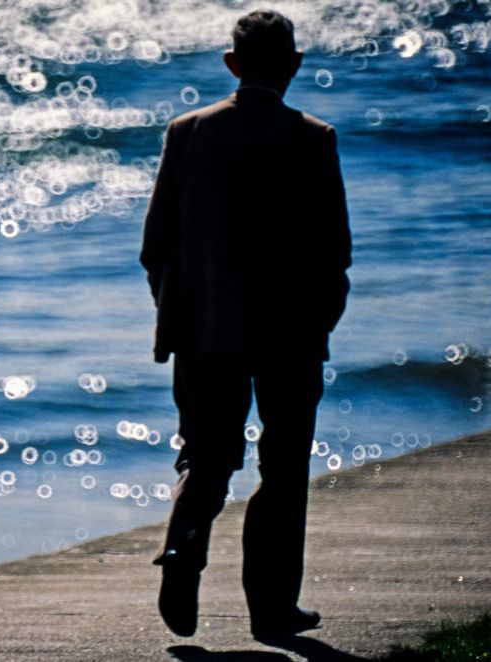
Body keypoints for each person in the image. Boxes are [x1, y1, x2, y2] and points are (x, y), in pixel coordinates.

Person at [139, 9, 352, 641]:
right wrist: (323, 319)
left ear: (231, 64)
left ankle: (183, 548)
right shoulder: (314, 136)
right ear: (293, 64)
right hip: (290, 331)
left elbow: (157, 247)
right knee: (283, 469)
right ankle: (271, 610)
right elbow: (333, 250)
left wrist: (179, 313)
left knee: (205, 458)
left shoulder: (187, 131)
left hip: (204, 329)